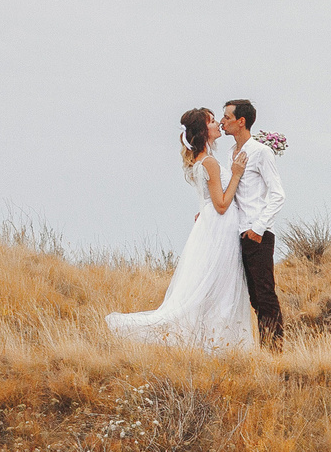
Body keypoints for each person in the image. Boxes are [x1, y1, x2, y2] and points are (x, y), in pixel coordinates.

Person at [105, 108, 256, 348]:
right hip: (220, 226)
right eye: (212, 121)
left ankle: (214, 339)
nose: (218, 124)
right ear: (203, 130)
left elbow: (210, 201)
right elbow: (221, 205)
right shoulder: (209, 163)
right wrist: (237, 174)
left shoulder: (201, 160)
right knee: (222, 284)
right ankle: (217, 341)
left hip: (210, 225)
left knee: (213, 283)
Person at [220, 99, 286, 347]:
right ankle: (264, 347)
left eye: (227, 117)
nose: (222, 122)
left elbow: (278, 194)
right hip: (236, 234)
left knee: (265, 294)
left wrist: (257, 229)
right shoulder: (229, 154)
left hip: (257, 234)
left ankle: (274, 350)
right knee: (252, 297)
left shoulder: (261, 152)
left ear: (241, 121)